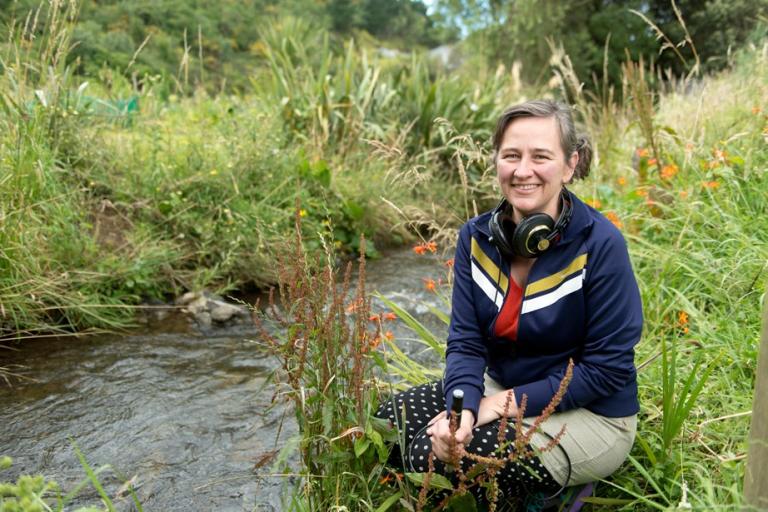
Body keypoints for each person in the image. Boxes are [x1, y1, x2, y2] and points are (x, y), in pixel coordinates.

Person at [376, 99, 642, 507]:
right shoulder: (476, 237)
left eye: (541, 156)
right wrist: (462, 410)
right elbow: (466, 342)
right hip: (500, 390)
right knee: (386, 424)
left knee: (434, 459)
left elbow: (606, 371)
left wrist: (496, 406)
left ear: (570, 165)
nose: (523, 171)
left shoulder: (601, 245)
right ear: (496, 160)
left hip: (591, 414)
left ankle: (546, 493)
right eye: (511, 155)